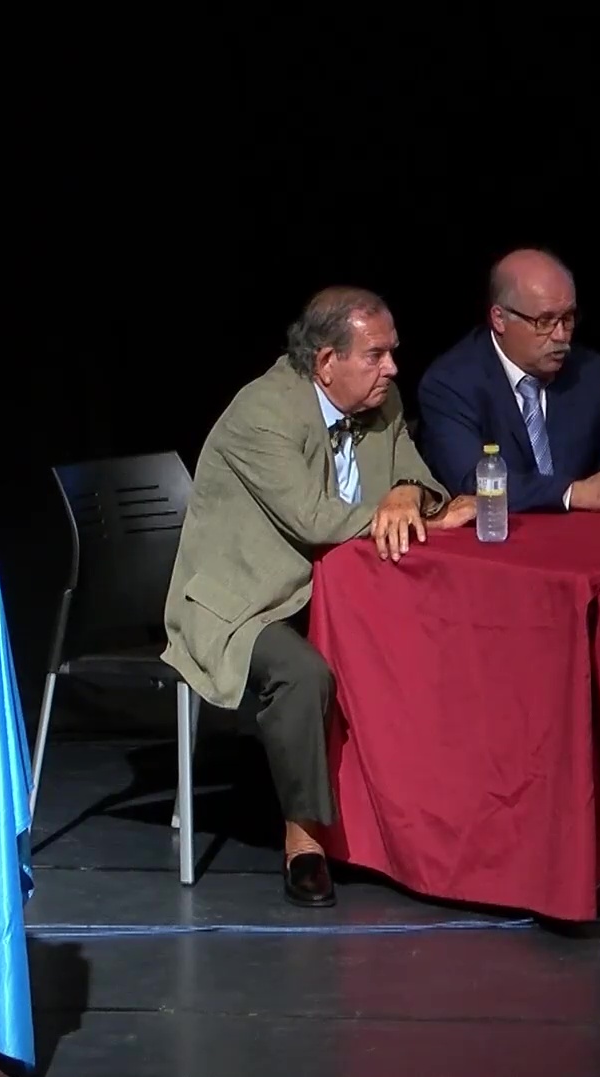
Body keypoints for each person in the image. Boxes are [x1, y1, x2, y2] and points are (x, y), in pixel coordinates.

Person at [161, 286, 476, 908]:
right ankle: (304, 839)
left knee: (416, 643)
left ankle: (417, 821)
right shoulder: (264, 412)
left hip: (331, 592)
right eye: (376, 355)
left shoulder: (379, 404)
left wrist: (410, 496)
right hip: (243, 602)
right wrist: (417, 516)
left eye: (392, 353)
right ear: (326, 361)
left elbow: (419, 476)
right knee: (304, 673)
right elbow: (312, 517)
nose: (391, 367)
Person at [414, 248, 600, 512]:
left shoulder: (588, 371)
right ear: (499, 319)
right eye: (545, 321)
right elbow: (471, 481)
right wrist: (573, 493)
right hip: (496, 540)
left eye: (568, 318)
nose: (561, 335)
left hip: (581, 535)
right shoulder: (450, 382)